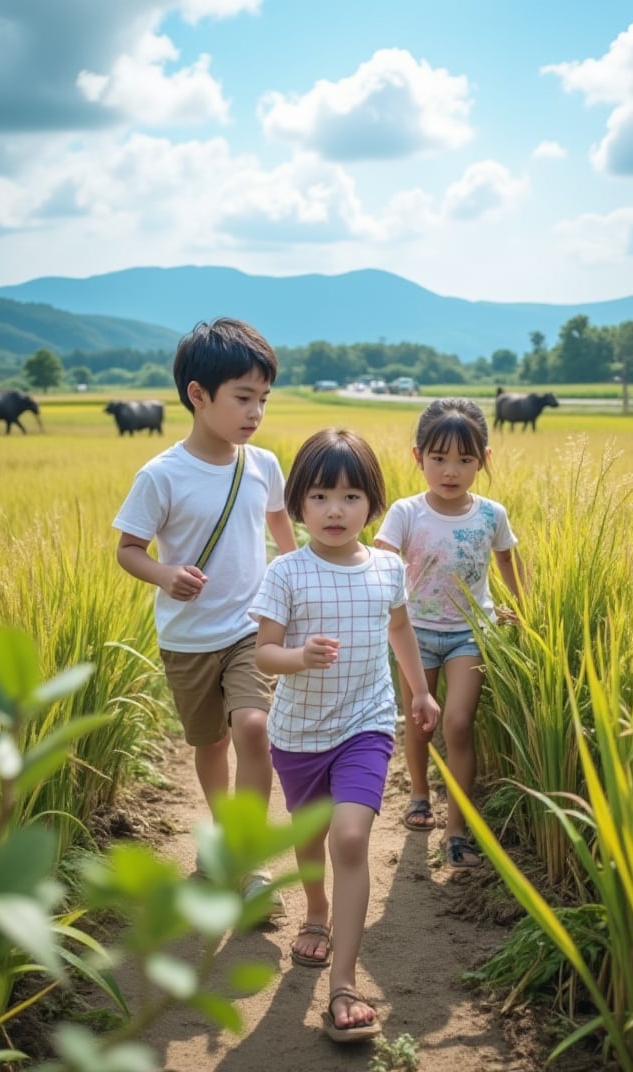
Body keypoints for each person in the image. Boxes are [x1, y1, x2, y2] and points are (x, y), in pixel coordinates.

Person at [249, 428, 439, 1043]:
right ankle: (316, 911)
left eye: (352, 496)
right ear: (298, 503)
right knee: (311, 837)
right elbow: (263, 655)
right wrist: (298, 656)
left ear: (373, 504)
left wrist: (420, 690)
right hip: (299, 733)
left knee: (350, 838)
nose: (336, 509)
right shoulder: (287, 571)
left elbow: (401, 628)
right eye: (322, 495)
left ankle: (344, 982)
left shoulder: (386, 566)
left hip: (366, 722)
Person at [112, 317, 297, 910]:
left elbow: (278, 520)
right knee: (210, 742)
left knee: (252, 727)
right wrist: (165, 574)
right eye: (243, 397)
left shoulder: (263, 464)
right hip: (188, 636)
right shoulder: (161, 475)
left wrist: (298, 573)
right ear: (198, 395)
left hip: (249, 627)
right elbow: (128, 550)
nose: (255, 412)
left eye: (263, 399)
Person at [375, 397, 524, 870]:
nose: (450, 470)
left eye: (464, 459)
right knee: (421, 721)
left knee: (458, 723)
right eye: (438, 458)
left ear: (484, 459)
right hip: (414, 633)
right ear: (418, 456)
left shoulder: (491, 514)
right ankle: (419, 793)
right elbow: (380, 559)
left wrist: (523, 607)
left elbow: (507, 560)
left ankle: (458, 830)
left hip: (469, 634)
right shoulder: (406, 512)